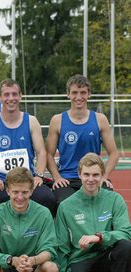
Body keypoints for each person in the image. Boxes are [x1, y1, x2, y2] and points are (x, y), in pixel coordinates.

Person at [56, 153, 131, 272]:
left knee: (126, 247)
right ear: (79, 174)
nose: (91, 179)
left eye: (96, 175)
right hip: (80, 260)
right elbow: (61, 247)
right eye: (87, 174)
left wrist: (99, 237)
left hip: (106, 260)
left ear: (102, 175)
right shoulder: (66, 206)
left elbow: (126, 231)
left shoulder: (114, 199)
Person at [0, 79, 56, 222]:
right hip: (2, 179)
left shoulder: (31, 121)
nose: (10, 98)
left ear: (20, 96)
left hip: (28, 180)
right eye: (6, 95)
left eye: (14, 94)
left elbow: (41, 152)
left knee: (47, 198)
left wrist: (39, 175)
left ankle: (41, 235)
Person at [46, 74, 119, 204]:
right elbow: (48, 154)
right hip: (67, 179)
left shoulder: (100, 119)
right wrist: (57, 178)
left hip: (93, 177)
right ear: (68, 94)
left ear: (89, 94)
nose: (78, 97)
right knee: (65, 203)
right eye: (74, 92)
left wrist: (104, 177)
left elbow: (114, 153)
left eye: (83, 93)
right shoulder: (57, 120)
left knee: (108, 199)